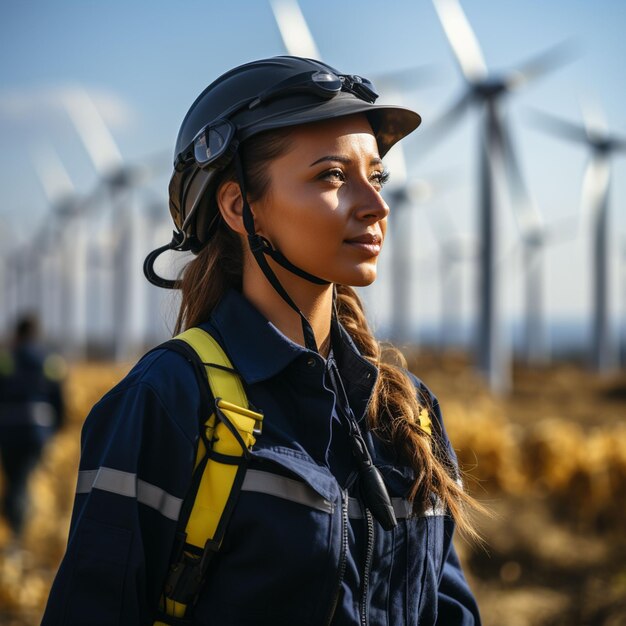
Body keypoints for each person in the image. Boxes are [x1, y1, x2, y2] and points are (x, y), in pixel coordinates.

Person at [42, 56, 482, 625]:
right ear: (238, 208)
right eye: (330, 176)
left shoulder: (407, 412)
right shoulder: (169, 400)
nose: (376, 205)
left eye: (376, 177)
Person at [0, 314, 65, 540]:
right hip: (37, 430)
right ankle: (19, 529)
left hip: (7, 429)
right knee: (24, 479)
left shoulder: (6, 360)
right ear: (36, 334)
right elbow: (58, 397)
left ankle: (13, 525)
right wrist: (56, 427)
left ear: (17, 334)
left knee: (14, 479)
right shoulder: (48, 361)